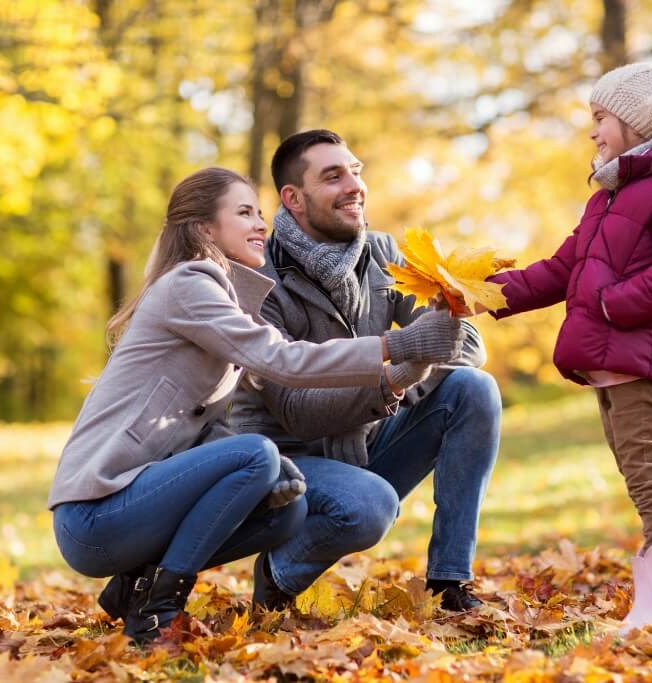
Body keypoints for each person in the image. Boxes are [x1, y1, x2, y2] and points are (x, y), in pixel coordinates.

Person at [48, 167, 464, 644]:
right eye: (244, 212)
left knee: (285, 509)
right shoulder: (189, 285)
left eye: (260, 212)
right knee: (257, 452)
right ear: (205, 229)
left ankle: (131, 589)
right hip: (95, 514)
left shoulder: (221, 297)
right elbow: (283, 359)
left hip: (136, 507)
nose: (261, 224)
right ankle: (158, 609)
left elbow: (208, 429)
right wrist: (398, 344)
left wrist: (402, 372)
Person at [486, 62, 652, 631]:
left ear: (640, 124)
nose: (592, 131)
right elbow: (562, 269)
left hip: (640, 356)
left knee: (648, 468)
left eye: (600, 118)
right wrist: (483, 294)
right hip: (612, 360)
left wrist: (614, 304)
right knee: (635, 467)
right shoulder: (611, 196)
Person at [231, 130, 502, 613]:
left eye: (356, 171)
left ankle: (449, 583)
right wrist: (400, 373)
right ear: (293, 198)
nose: (354, 184)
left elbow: (467, 346)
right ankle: (277, 574)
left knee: (474, 389)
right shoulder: (258, 278)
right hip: (290, 463)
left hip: (366, 439)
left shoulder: (383, 254)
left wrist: (415, 369)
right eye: (333, 176)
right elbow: (296, 413)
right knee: (369, 505)